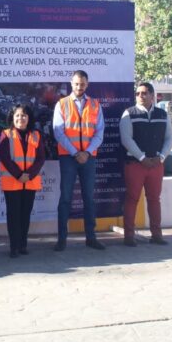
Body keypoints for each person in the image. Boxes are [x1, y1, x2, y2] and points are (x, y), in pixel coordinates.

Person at [52, 70, 106, 251]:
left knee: (89, 198)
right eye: (76, 83)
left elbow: (100, 132)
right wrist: (76, 152)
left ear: (87, 84)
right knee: (65, 198)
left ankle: (91, 238)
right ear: (71, 83)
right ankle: (61, 239)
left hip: (89, 158)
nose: (79, 87)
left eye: (82, 84)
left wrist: (87, 152)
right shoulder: (61, 104)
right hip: (68, 157)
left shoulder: (95, 104)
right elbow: (58, 132)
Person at [120, 82, 172, 246]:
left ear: (152, 95)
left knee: (154, 199)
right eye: (137, 93)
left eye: (143, 93)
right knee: (132, 199)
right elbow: (126, 139)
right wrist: (142, 158)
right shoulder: (129, 113)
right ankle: (129, 236)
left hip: (156, 164)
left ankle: (156, 235)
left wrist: (162, 157)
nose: (140, 96)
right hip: (135, 164)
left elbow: (170, 138)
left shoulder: (162, 114)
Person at [0, 103, 45, 257]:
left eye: (24, 115)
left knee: (25, 214)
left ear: (29, 118)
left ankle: (23, 245)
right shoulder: (6, 134)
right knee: (13, 215)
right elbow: (4, 157)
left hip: (30, 182)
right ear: (13, 117)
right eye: (18, 115)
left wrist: (29, 175)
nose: (21, 118)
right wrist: (19, 175)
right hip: (12, 182)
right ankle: (13, 247)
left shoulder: (36, 135)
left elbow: (40, 158)